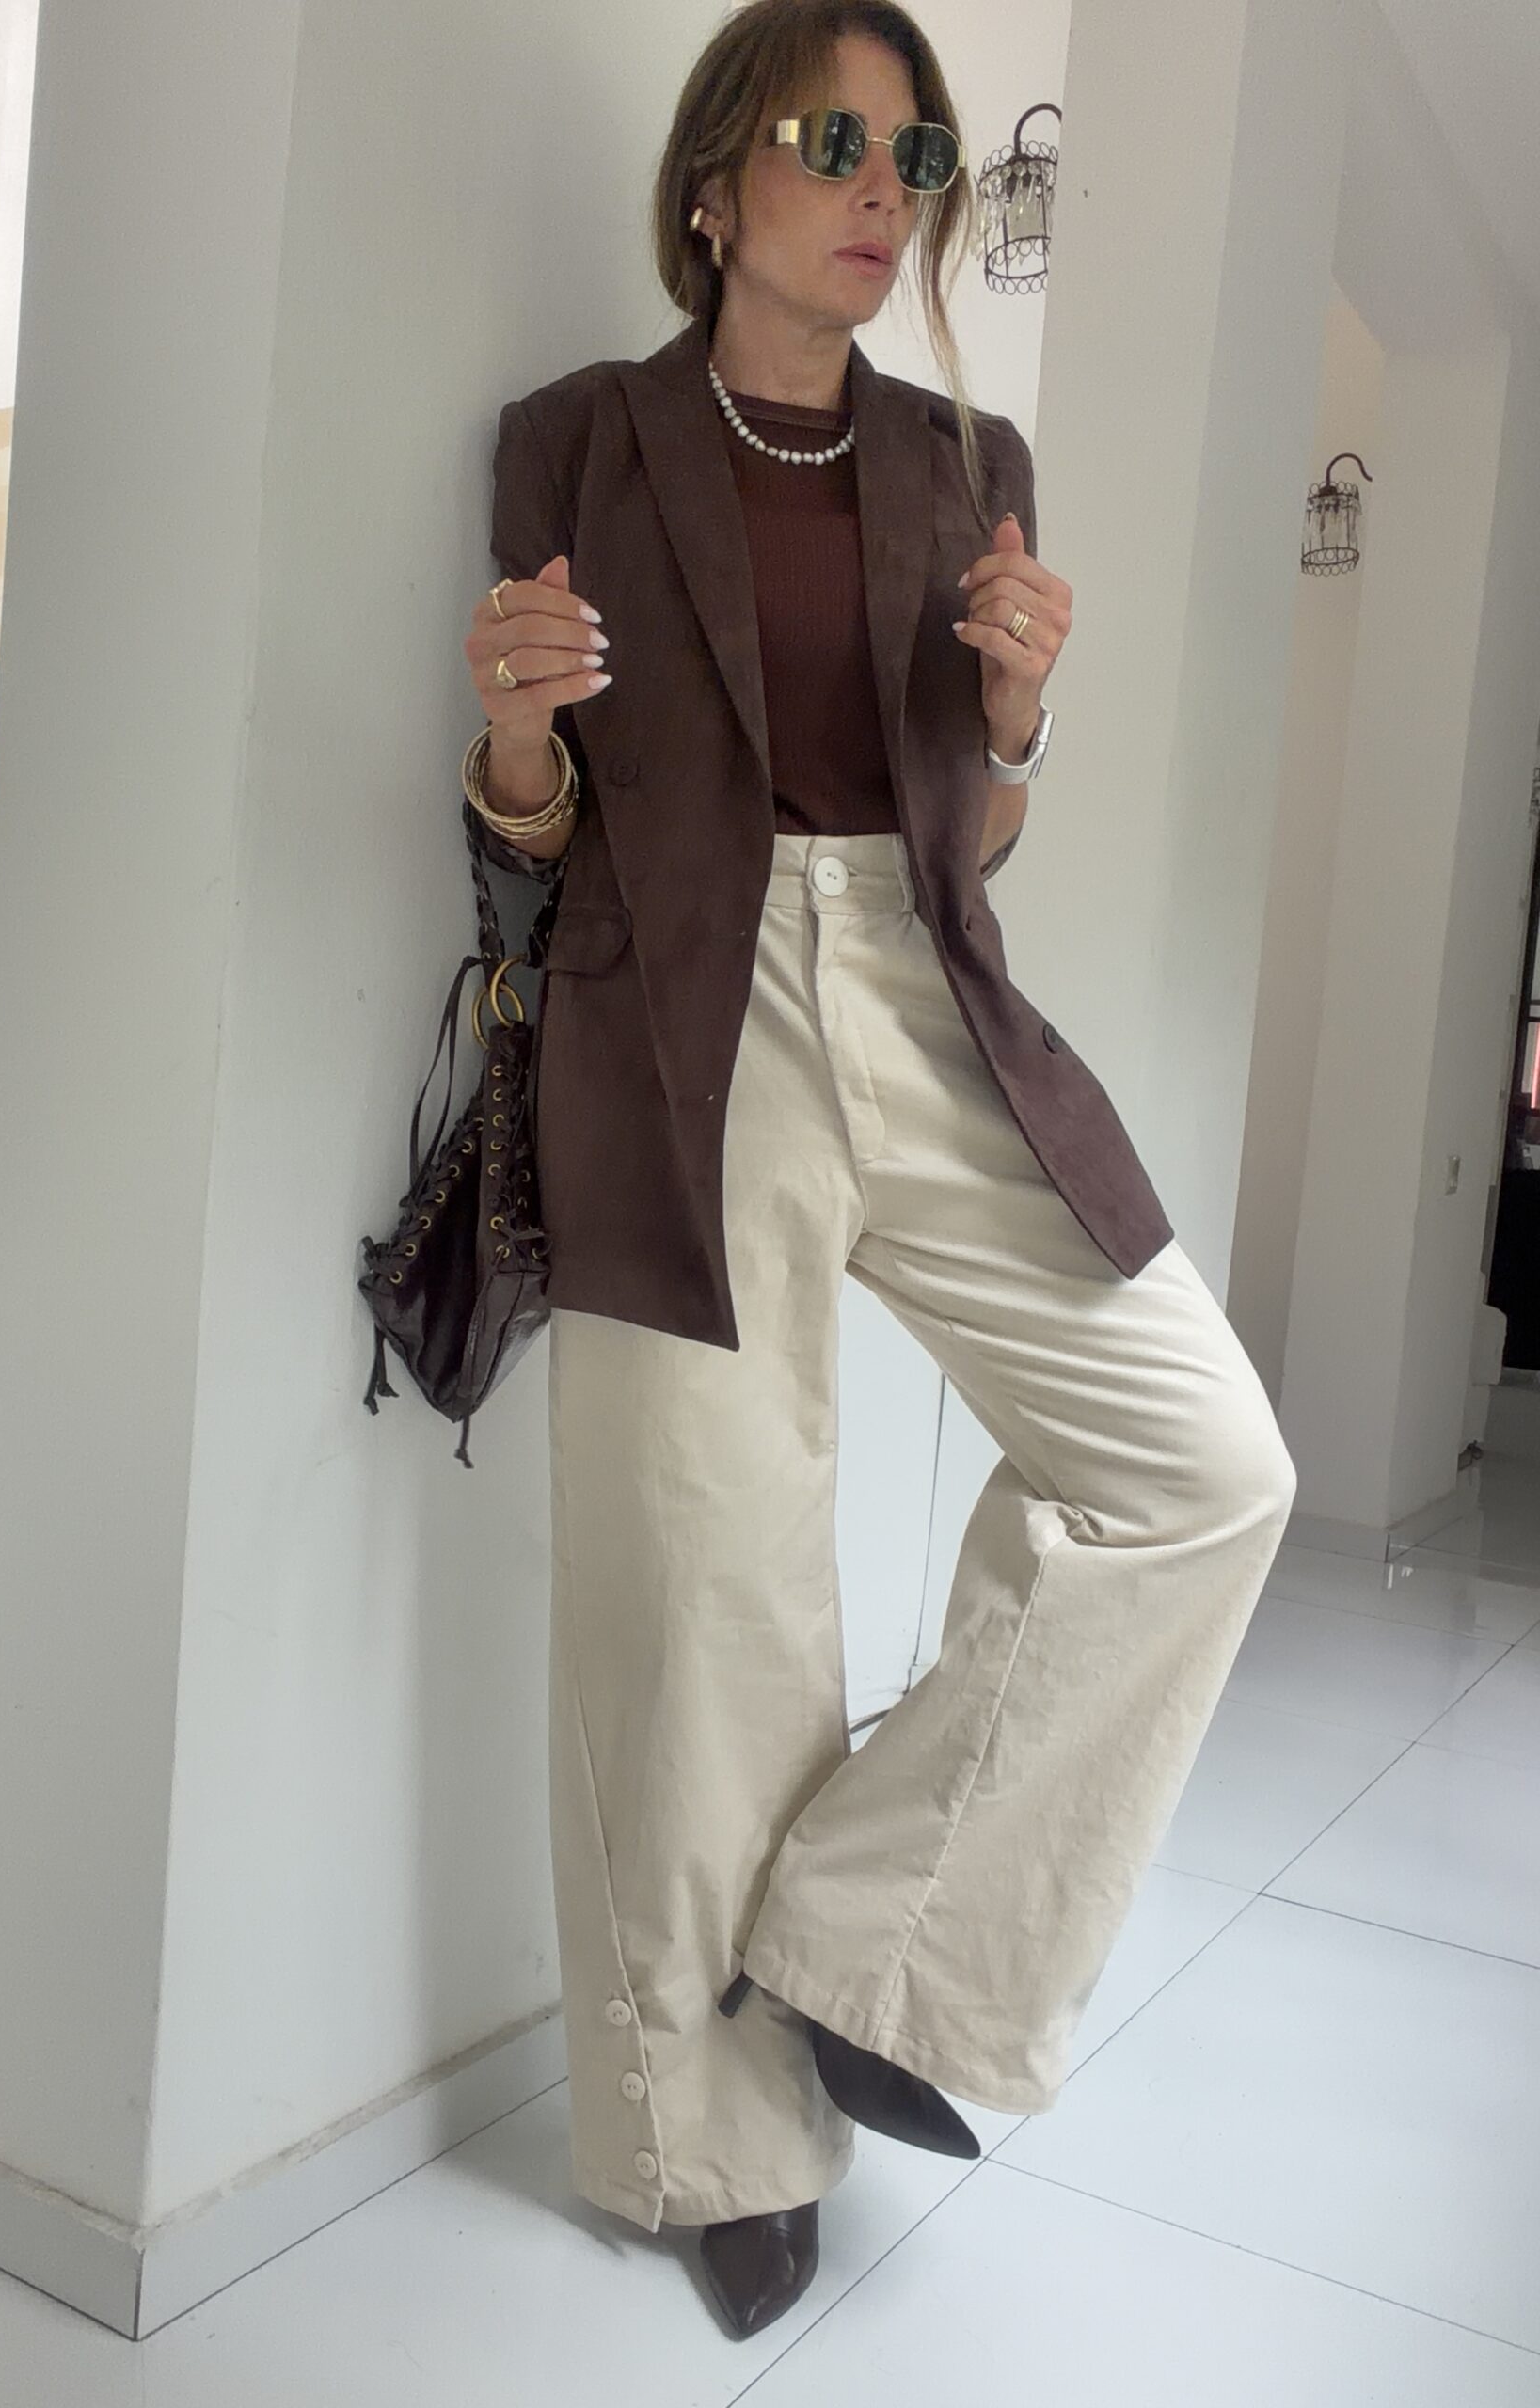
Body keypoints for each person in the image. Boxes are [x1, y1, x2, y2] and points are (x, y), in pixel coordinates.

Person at [454, 0, 1297, 2346]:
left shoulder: (965, 458)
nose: (878, 189)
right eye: (832, 140)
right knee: (709, 1596)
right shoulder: (578, 439)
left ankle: (871, 1952)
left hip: (923, 994)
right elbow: (530, 847)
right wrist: (512, 733)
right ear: (714, 179)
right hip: (677, 1017)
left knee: (1201, 1465)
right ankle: (710, 2145)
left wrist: (1018, 715)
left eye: (912, 157)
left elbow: (975, 828)